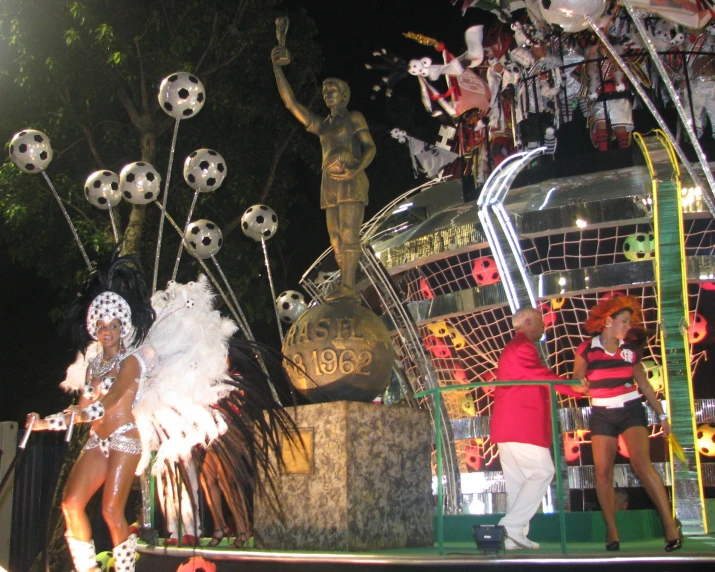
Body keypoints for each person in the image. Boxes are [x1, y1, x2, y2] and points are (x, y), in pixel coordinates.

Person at [27, 254, 155, 572]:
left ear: (122, 327)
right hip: (97, 441)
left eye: (113, 325)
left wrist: (84, 408)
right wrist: (41, 423)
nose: (107, 330)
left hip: (124, 440)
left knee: (112, 511)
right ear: (94, 328)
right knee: (70, 504)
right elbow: (82, 409)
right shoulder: (94, 364)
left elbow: (109, 403)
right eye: (101, 325)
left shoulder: (132, 362)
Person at [271, 23, 376, 300]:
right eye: (326, 90)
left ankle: (349, 286)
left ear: (345, 95)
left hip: (351, 178)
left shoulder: (354, 118)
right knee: (335, 239)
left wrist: (356, 167)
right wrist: (277, 68)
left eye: (334, 89)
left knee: (349, 233)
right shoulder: (322, 124)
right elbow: (291, 103)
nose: (328, 92)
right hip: (329, 181)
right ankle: (346, 282)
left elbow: (370, 148)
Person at [573, 295, 681, 552]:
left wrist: (662, 416)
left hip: (631, 408)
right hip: (601, 412)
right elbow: (576, 376)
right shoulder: (587, 348)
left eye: (629, 322)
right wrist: (580, 384)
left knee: (641, 463)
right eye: (623, 321)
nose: (627, 326)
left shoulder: (629, 350)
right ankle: (612, 531)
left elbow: (643, 383)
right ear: (608, 321)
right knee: (602, 473)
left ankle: (670, 526)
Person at [491, 307, 587, 550]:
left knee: (518, 483)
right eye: (540, 322)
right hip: (521, 425)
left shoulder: (515, 346)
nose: (544, 327)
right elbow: (541, 376)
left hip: (510, 426)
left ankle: (514, 537)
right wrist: (573, 387)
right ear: (526, 322)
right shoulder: (522, 347)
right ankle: (511, 525)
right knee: (543, 471)